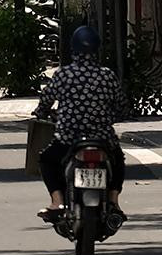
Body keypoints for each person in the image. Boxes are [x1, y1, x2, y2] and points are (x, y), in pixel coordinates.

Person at [35, 26, 126, 223]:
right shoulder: (107, 75)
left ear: (73, 49)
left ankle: (57, 201)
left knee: (47, 160)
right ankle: (113, 202)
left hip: (69, 138)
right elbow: (121, 105)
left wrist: (41, 112)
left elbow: (46, 100)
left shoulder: (63, 74)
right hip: (102, 138)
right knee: (118, 160)